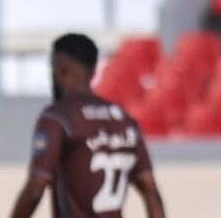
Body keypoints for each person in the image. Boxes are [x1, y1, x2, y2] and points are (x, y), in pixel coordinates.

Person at [10, 34, 166, 218]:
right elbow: (151, 192)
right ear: (93, 72)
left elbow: (35, 189)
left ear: (61, 69)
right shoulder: (124, 120)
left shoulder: (58, 117)